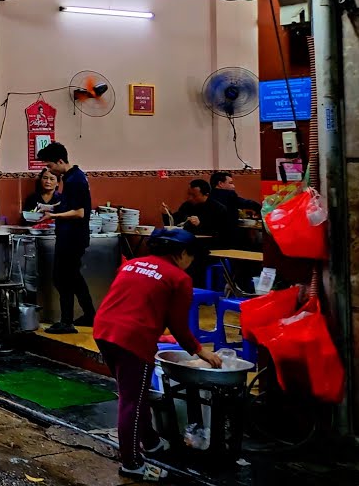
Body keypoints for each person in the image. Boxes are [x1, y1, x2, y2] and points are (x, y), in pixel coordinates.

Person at [93, 228, 223, 481]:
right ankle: (131, 463)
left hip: (103, 331)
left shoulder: (132, 264)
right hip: (133, 339)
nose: (191, 263)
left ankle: (151, 443)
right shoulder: (179, 278)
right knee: (131, 401)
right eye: (191, 257)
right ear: (183, 253)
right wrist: (200, 351)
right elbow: (178, 325)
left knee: (134, 394)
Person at [37, 142, 96, 334]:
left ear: (60, 161)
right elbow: (68, 205)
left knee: (62, 279)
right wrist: (50, 208)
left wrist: (52, 216)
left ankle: (66, 322)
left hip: (73, 238)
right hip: (69, 237)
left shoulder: (75, 180)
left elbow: (79, 212)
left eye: (51, 166)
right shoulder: (71, 177)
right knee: (74, 277)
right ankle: (90, 315)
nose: (50, 170)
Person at [163, 180, 229, 238]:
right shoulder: (186, 205)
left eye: (194, 195)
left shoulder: (218, 209)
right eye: (189, 194)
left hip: (208, 243)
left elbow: (220, 233)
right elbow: (173, 224)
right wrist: (166, 213)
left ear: (206, 195)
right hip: (186, 240)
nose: (190, 198)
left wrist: (199, 224)